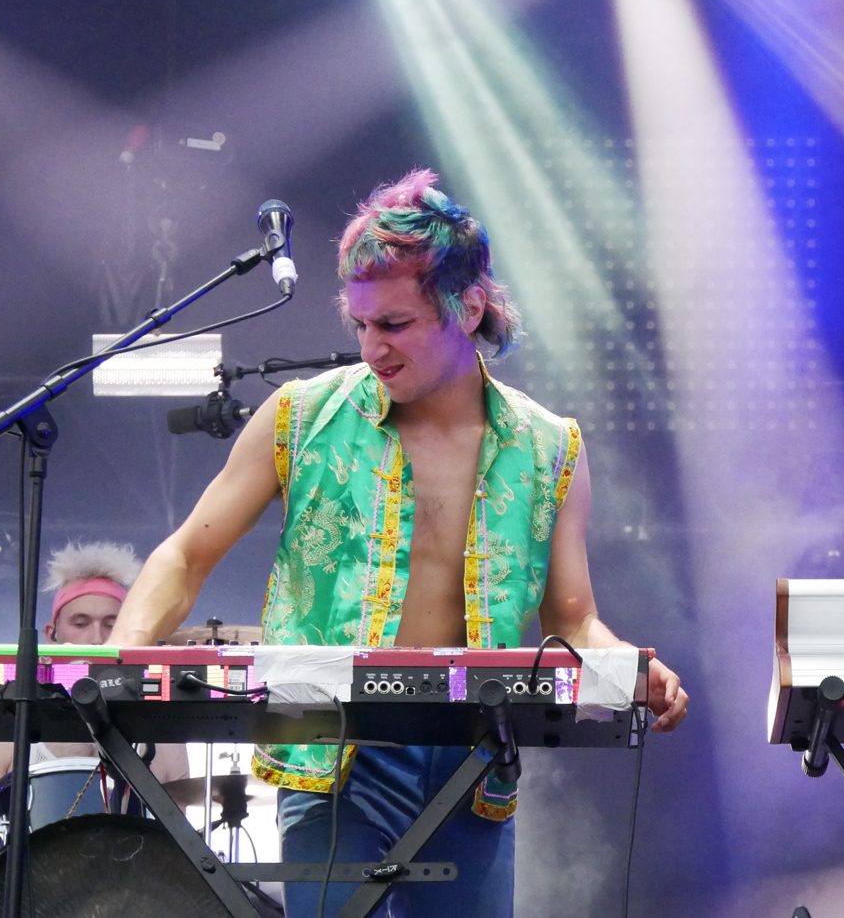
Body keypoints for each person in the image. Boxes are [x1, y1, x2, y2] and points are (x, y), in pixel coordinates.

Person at [111, 169, 689, 918]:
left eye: (393, 324)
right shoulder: (300, 417)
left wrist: (630, 667)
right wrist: (118, 658)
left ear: (468, 307)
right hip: (330, 749)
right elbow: (186, 556)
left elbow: (573, 620)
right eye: (359, 325)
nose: (370, 346)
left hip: (472, 762)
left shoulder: (550, 448)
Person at [0, 541, 190, 865]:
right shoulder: (8, 724)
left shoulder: (164, 736)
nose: (96, 638)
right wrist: (60, 863)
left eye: (112, 624)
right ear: (51, 634)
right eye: (81, 623)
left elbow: (178, 852)